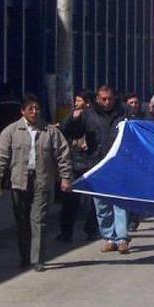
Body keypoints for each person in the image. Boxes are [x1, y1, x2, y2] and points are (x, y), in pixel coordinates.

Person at [0, 95, 73, 272]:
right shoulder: (11, 131)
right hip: (19, 181)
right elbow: (1, 156)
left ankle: (38, 259)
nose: (34, 112)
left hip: (42, 180)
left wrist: (65, 178)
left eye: (37, 108)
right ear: (23, 111)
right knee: (22, 221)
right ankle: (25, 256)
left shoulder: (51, 131)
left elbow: (63, 156)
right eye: (30, 109)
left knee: (39, 220)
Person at [62, 86, 131, 253]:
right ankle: (109, 237)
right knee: (101, 204)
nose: (107, 102)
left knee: (120, 202)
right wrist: (73, 118)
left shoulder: (124, 113)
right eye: (103, 99)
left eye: (110, 99)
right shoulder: (88, 115)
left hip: (119, 162)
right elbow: (70, 132)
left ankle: (122, 238)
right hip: (97, 163)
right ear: (98, 99)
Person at [58, 93, 98, 242]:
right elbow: (63, 130)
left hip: (91, 161)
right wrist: (72, 118)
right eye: (75, 100)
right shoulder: (73, 115)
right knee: (70, 199)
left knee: (92, 200)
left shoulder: (94, 117)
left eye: (79, 100)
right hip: (74, 161)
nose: (76, 103)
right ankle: (66, 232)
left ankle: (91, 229)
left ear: (87, 102)